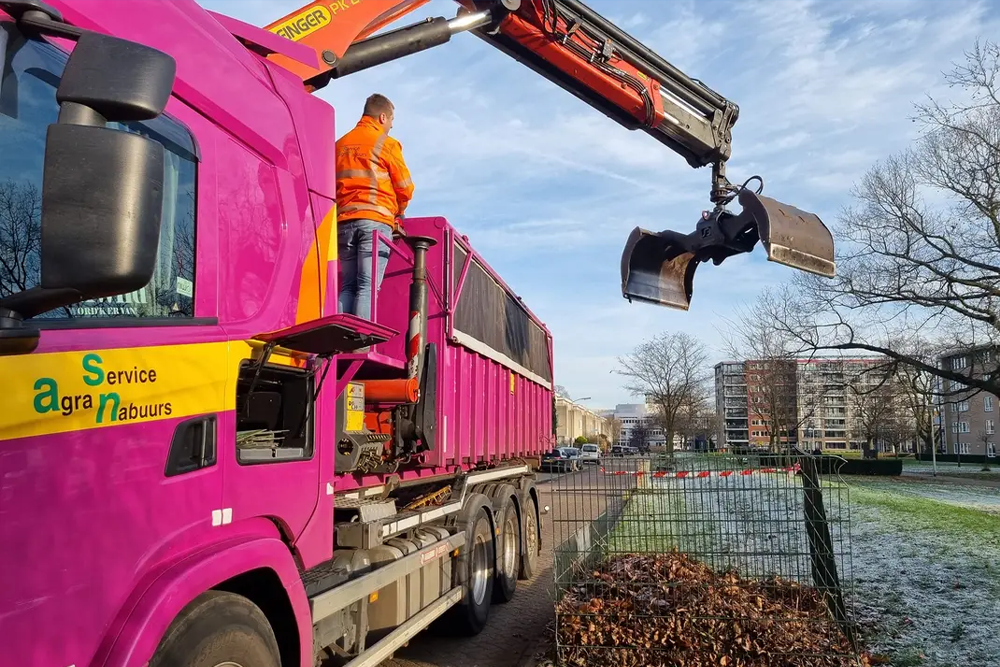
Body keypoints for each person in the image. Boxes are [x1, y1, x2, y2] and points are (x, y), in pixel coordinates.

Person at [336, 93, 414, 320]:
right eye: (391, 120)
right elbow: (405, 187)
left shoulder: (340, 145)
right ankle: (361, 339)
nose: (391, 125)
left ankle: (338, 338)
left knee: (348, 285)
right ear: (382, 117)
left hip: (343, 222)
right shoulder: (386, 144)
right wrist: (400, 211)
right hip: (375, 222)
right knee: (367, 286)